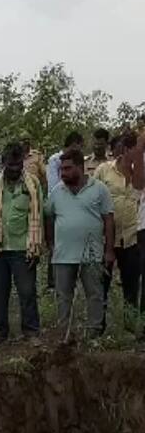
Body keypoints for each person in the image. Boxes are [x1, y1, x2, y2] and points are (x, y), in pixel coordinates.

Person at [45, 147, 114, 338]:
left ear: (80, 167)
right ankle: (65, 334)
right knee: (63, 296)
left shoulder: (99, 189)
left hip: (92, 254)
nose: (63, 173)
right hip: (63, 254)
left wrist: (109, 250)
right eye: (62, 169)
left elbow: (109, 219)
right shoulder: (57, 192)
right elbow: (48, 216)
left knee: (95, 295)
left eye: (68, 168)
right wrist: (51, 244)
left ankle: (93, 334)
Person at [0, 142, 43, 344]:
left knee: (27, 292)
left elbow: (38, 216)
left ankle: (31, 333)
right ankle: (0, 332)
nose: (14, 169)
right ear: (3, 163)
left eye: (18, 165)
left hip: (24, 248)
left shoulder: (33, 184)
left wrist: (37, 248)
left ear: (22, 162)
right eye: (10, 165)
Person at [95, 132, 145, 329]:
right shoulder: (103, 170)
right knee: (102, 285)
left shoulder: (140, 173)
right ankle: (98, 326)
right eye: (138, 150)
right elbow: (93, 199)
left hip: (132, 238)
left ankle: (131, 325)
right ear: (127, 150)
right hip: (106, 238)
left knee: (131, 285)